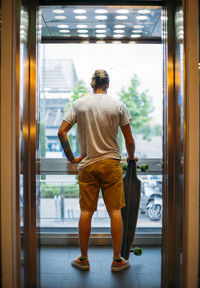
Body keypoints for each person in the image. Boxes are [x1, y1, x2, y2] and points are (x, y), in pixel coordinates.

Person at [58, 70, 137, 272]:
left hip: (87, 164)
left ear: (92, 85)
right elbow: (129, 140)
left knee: (86, 212)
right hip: (111, 164)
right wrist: (129, 157)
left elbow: (61, 132)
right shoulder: (118, 106)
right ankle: (117, 260)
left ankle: (83, 259)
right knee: (115, 212)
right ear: (108, 85)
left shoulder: (79, 104)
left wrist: (71, 158)